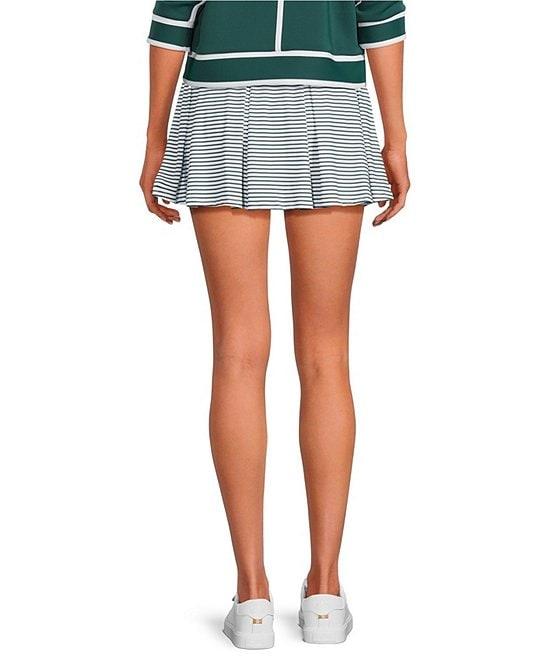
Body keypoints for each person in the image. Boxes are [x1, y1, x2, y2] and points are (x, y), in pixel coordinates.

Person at [140, 0, 409, 649]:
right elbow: (379, 17)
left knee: (238, 352)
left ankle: (254, 594)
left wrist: (154, 140)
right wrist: (396, 138)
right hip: (333, 105)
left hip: (219, 105)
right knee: (325, 356)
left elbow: (174, 18)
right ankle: (325, 593)